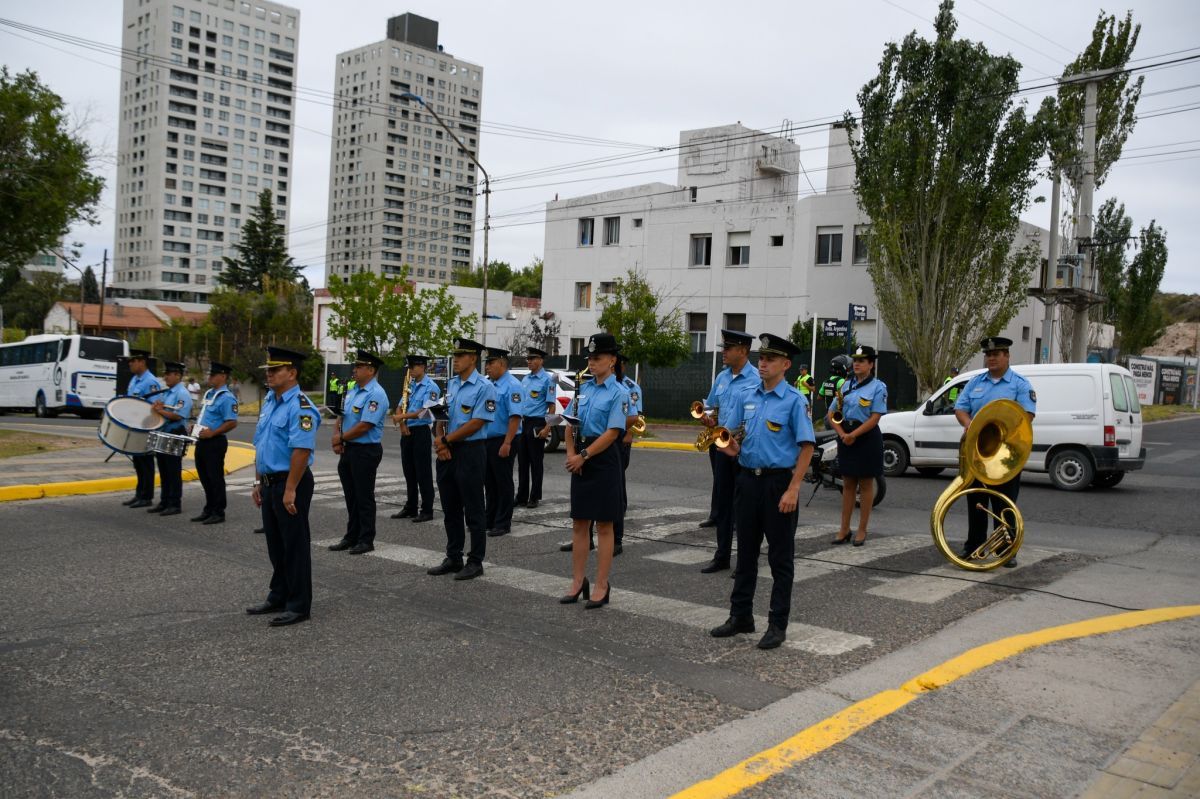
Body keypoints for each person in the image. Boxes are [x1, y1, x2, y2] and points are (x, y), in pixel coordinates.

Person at [710, 333, 816, 650]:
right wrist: (731, 447)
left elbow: (807, 446)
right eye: (761, 358)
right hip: (748, 480)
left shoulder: (796, 400)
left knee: (780, 559)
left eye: (769, 359)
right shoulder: (750, 396)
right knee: (746, 554)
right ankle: (741, 615)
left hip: (778, 484)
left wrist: (794, 488)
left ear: (785, 364)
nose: (763, 362)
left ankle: (777, 624)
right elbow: (741, 435)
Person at [247, 346, 319, 627]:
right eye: (268, 369)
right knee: (275, 545)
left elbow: (301, 451)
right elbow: (260, 444)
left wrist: (290, 489)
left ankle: (299, 605)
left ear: (292, 373)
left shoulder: (300, 407)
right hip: (269, 483)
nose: (269, 374)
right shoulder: (270, 402)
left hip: (292, 482)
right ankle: (278, 595)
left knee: (295, 545)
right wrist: (257, 481)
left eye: (275, 369)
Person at [559, 333, 628, 610]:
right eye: (589, 358)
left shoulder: (619, 393)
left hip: (603, 460)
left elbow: (613, 433)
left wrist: (584, 456)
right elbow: (569, 423)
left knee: (604, 525)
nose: (592, 362)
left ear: (612, 360)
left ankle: (601, 584)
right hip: (582, 459)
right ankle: (578, 582)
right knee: (579, 522)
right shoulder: (583, 390)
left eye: (597, 358)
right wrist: (570, 453)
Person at [954, 336, 1036, 568]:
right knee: (976, 503)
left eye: (996, 354)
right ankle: (974, 546)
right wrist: (969, 424)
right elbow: (960, 408)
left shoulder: (1020, 384)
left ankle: (1006, 550)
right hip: (977, 452)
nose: (991, 358)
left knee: (1005, 504)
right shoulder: (975, 382)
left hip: (1005, 454)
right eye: (988, 354)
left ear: (1007, 355)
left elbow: (1026, 417)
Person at [427, 339, 496, 580]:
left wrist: (447, 441)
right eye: (454, 354)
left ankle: (475, 560)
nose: (455, 359)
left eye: (461, 355)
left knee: (474, 508)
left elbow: (477, 422)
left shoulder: (485, 387)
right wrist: (440, 439)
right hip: (448, 451)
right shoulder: (452, 384)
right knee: (450, 507)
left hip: (470, 451)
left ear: (473, 358)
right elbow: (440, 415)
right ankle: (453, 556)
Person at [698, 329, 762, 574]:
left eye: (728, 348)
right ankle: (722, 556)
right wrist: (708, 418)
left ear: (743, 351)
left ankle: (746, 560)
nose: (723, 352)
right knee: (723, 504)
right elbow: (712, 406)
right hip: (723, 447)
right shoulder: (722, 377)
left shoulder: (757, 379)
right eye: (724, 347)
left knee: (745, 507)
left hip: (745, 448)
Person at [328, 350, 389, 555]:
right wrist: (337, 436)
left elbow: (365, 425)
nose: (354, 370)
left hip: (365, 450)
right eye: (355, 366)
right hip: (349, 449)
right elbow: (341, 415)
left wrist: (342, 438)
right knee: (351, 496)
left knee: (363, 496)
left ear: (371, 370)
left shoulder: (376, 394)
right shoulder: (353, 390)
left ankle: (366, 538)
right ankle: (351, 535)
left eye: (359, 367)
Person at [826, 346, 888, 546]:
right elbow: (831, 412)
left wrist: (853, 434)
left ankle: (862, 529)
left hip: (866, 438)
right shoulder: (845, 385)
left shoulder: (878, 387)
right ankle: (844, 529)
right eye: (855, 360)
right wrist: (842, 433)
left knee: (866, 484)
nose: (857, 364)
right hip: (846, 437)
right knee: (848, 484)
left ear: (871, 364)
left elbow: (875, 417)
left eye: (862, 361)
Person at [191, 361, 239, 525]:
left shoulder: (227, 398)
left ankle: (218, 511)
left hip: (215, 442)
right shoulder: (210, 394)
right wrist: (196, 426)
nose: (209, 377)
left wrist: (213, 432)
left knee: (215, 478)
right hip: (202, 441)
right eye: (209, 374)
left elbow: (232, 422)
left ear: (223, 376)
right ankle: (209, 508)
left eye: (213, 374)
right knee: (204, 477)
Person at [392, 354, 439, 523]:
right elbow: (399, 406)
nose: (411, 370)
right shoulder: (409, 385)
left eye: (414, 366)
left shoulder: (431, 387)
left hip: (421, 432)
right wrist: (402, 423)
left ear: (423, 367)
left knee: (423, 472)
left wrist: (402, 416)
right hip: (407, 432)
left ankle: (427, 509)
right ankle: (411, 506)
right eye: (409, 367)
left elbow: (425, 412)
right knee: (409, 471)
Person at [482, 347, 523, 537]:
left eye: (490, 363)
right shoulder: (489, 384)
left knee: (503, 481)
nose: (487, 367)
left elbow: (515, 417)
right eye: (486, 364)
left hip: (504, 438)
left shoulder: (512, 385)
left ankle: (503, 522)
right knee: (489, 482)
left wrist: (507, 443)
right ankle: (489, 519)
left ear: (501, 363)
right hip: (488, 439)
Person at [148, 361, 193, 517]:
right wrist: (158, 408)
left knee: (173, 471)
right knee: (164, 470)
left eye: (169, 374)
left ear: (178, 375)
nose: (165, 376)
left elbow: (178, 415)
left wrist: (160, 411)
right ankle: (164, 501)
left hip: (176, 433)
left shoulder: (182, 393)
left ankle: (175, 503)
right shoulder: (168, 392)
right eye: (165, 373)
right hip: (165, 433)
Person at [515, 347, 556, 509]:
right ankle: (521, 496)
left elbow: (552, 407)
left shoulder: (548, 380)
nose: (529, 361)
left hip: (537, 422)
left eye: (532, 359)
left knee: (536, 462)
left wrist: (547, 428)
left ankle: (534, 496)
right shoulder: (525, 379)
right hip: (524, 422)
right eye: (528, 359)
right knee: (522, 462)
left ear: (541, 360)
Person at [612, 353, 643, 556]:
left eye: (620, 364)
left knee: (619, 476)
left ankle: (621, 506)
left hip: (622, 437)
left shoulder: (631, 387)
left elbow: (636, 414)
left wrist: (630, 433)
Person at [122, 350, 160, 509]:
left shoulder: (150, 382)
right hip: (134, 427)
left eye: (133, 361)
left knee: (146, 462)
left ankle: (147, 496)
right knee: (137, 462)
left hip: (145, 429)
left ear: (142, 362)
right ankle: (139, 494)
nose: (130, 363)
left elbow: (153, 408)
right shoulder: (134, 380)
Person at [817, 354, 851, 424]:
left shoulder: (826, 382)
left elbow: (819, 397)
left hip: (828, 415)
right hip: (839, 416)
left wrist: (830, 395)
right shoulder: (841, 381)